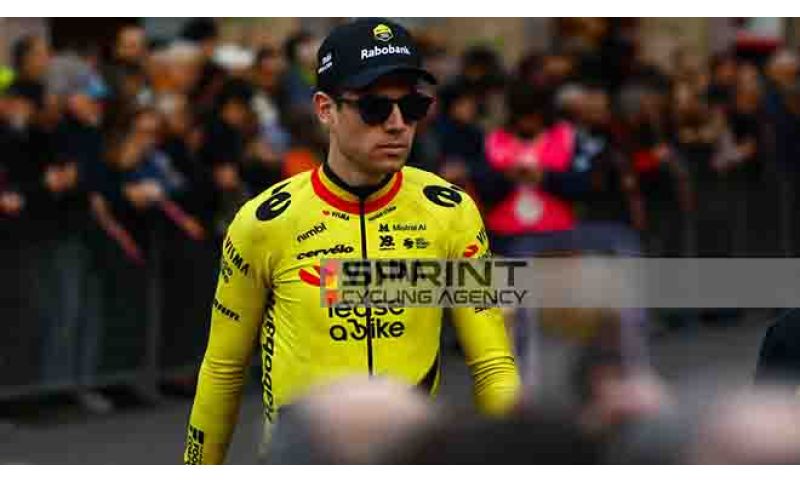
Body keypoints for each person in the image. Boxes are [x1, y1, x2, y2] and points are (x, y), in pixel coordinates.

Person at [183, 18, 521, 464]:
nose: (398, 125)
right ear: (325, 109)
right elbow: (223, 371)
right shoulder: (264, 222)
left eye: (413, 107)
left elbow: (493, 364)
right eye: (375, 108)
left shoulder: (451, 211)